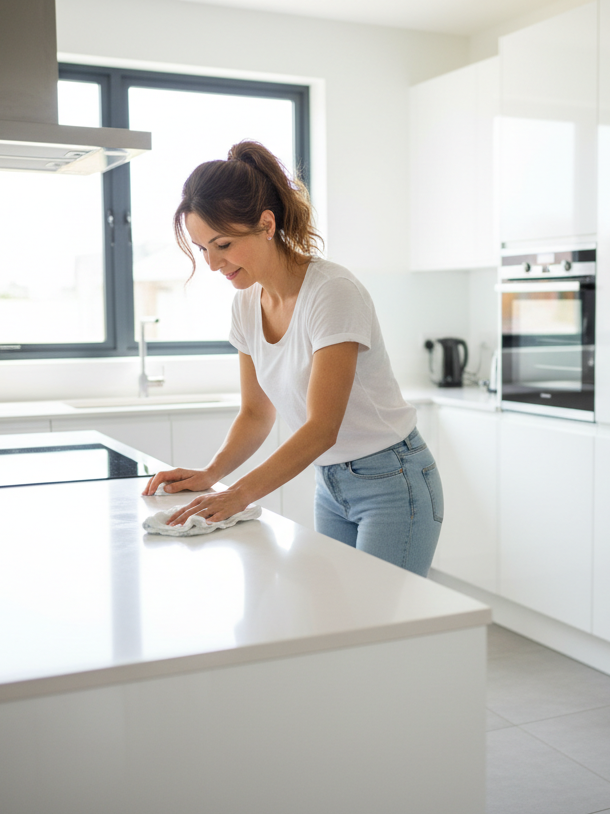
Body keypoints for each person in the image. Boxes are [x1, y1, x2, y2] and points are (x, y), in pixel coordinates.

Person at [141, 141, 443, 578]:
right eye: (202, 248)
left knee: (378, 628)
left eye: (222, 244)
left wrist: (237, 495)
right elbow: (254, 413)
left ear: (266, 224)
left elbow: (322, 427)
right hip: (331, 483)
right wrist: (211, 474)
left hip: (393, 481)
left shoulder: (332, 292)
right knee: (338, 623)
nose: (212, 264)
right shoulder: (246, 305)